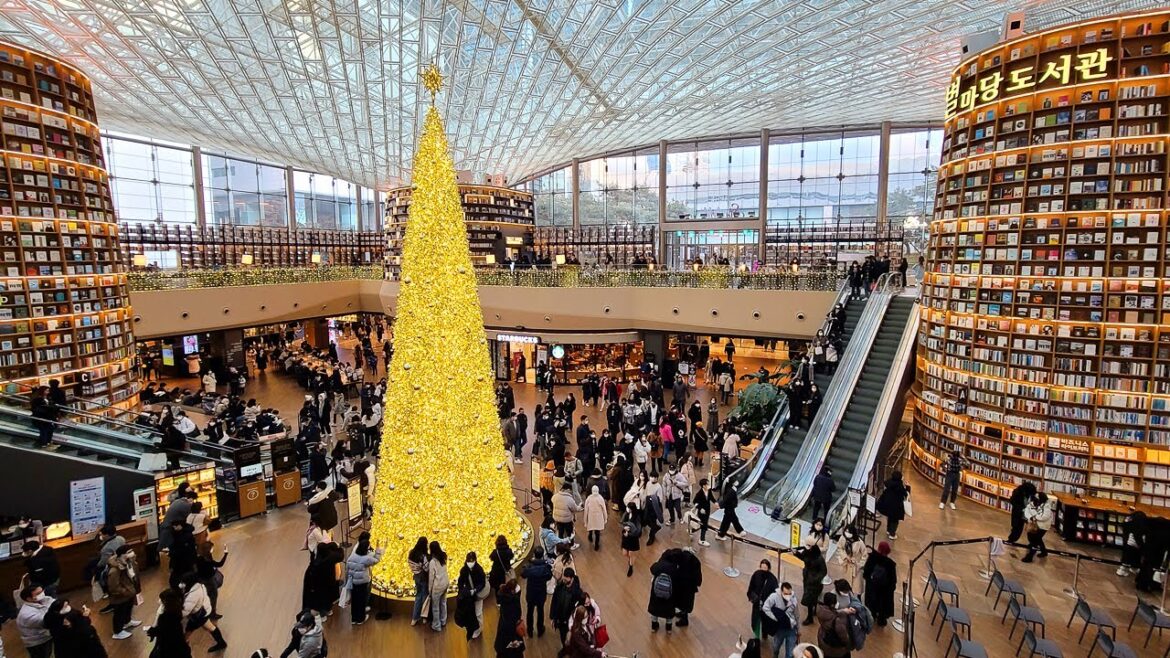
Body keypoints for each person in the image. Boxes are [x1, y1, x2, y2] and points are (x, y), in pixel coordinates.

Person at [178, 572, 227, 652]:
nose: (181, 584)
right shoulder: (199, 586)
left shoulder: (193, 595)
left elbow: (185, 611)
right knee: (210, 627)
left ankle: (183, 649)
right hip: (204, 611)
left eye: (183, 582)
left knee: (189, 630)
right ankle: (221, 643)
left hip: (198, 616)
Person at [43, 598, 108, 658]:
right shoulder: (69, 619)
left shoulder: (52, 620)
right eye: (65, 606)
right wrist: (85, 617)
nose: (68, 607)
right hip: (84, 649)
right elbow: (83, 629)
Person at [345, 532, 384, 626]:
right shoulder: (366, 558)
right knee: (361, 600)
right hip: (362, 582)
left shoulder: (352, 556)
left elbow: (348, 569)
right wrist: (378, 550)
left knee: (354, 600)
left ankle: (354, 618)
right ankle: (361, 619)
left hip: (353, 581)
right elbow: (377, 560)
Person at [106, 544, 142, 640]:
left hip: (129, 593)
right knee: (119, 613)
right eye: (128, 552)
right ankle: (117, 632)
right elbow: (114, 587)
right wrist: (125, 592)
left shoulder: (129, 563)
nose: (131, 553)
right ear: (122, 555)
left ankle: (127, 622)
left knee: (128, 609)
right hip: (120, 596)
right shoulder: (114, 570)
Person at [146, 589, 192, 658]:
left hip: (168, 649)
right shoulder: (179, 613)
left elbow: (162, 632)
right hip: (180, 648)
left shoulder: (165, 617)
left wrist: (152, 631)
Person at [861, 541, 897, 627]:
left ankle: (871, 616)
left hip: (872, 588)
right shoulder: (890, 564)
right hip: (884, 590)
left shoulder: (872, 558)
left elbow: (866, 573)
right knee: (882, 605)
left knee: (871, 604)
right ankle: (881, 620)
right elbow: (893, 580)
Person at [521, 547, 552, 637]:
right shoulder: (545, 567)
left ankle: (530, 630)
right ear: (542, 555)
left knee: (529, 611)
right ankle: (540, 629)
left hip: (531, 592)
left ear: (534, 555)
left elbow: (523, 575)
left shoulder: (529, 566)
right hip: (541, 593)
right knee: (540, 611)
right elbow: (549, 577)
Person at [762, 582, 799, 658]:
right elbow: (765, 608)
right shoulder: (774, 597)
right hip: (779, 629)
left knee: (790, 654)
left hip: (791, 628)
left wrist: (798, 628)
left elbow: (797, 615)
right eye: (786, 593)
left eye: (789, 593)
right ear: (781, 591)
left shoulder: (793, 600)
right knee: (776, 647)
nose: (788, 596)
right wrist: (775, 618)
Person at [456, 552, 487, 640]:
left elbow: (482, 583)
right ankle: (474, 627)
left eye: (472, 561)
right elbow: (460, 582)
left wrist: (475, 590)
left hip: (477, 594)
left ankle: (479, 629)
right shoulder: (464, 570)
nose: (470, 562)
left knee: (478, 613)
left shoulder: (479, 570)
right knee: (471, 612)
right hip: (469, 595)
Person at [17, 584, 54, 658]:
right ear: (29, 599)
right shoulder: (26, 614)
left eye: (42, 591)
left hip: (46, 636)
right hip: (37, 642)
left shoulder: (45, 599)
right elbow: (47, 622)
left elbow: (56, 604)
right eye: (38, 593)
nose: (42, 594)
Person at [549, 566, 583, 645]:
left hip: (571, 620)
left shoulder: (577, 593)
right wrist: (553, 617)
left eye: (566, 579)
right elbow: (554, 601)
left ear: (572, 579)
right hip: (561, 618)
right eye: (564, 578)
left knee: (572, 638)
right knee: (562, 636)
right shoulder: (560, 587)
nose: (564, 580)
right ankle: (565, 649)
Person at [648, 551, 680, 633]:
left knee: (655, 609)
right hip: (669, 594)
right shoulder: (674, 568)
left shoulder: (659, 565)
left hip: (656, 593)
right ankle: (668, 628)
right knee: (669, 610)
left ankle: (654, 626)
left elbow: (651, 569)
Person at [747, 559, 779, 639]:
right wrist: (752, 597)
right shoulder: (756, 574)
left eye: (765, 568)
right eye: (762, 568)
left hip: (767, 606)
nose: (763, 571)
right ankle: (757, 636)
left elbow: (775, 594)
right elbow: (751, 588)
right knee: (756, 621)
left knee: (765, 621)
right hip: (757, 603)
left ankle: (765, 634)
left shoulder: (772, 580)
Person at [815, 592, 854, 658]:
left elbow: (831, 614)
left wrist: (843, 611)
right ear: (832, 604)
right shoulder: (837, 621)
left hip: (825, 642)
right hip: (836, 649)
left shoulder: (820, 611)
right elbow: (844, 637)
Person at [494, 579, 526, 658]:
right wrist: (514, 638)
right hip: (512, 633)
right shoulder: (513, 603)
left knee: (503, 651)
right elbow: (512, 621)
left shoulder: (505, 598)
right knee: (514, 652)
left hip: (503, 632)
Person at [797, 544, 828, 625]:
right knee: (810, 598)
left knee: (810, 599)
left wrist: (815, 579)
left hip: (814, 582)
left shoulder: (819, 559)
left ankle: (810, 617)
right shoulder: (808, 553)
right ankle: (812, 611)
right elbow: (804, 558)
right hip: (807, 579)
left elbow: (823, 571)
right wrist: (796, 554)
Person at [875, 470, 910, 540]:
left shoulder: (889, 483)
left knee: (890, 517)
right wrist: (907, 488)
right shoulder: (899, 485)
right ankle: (892, 533)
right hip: (896, 506)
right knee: (895, 520)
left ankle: (888, 530)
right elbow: (905, 494)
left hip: (887, 504)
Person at [1022, 492, 1056, 563]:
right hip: (1033, 524)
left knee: (1035, 540)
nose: (1035, 499)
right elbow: (1027, 510)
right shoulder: (1032, 503)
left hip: (1042, 526)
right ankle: (1044, 552)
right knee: (1034, 538)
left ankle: (1030, 556)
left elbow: (1044, 516)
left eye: (1037, 498)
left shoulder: (1046, 507)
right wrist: (1030, 517)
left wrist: (1034, 517)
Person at [427, 541, 450, 631]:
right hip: (445, 582)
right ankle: (443, 620)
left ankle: (436, 625)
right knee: (443, 603)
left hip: (437, 586)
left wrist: (430, 590)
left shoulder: (433, 562)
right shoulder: (443, 556)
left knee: (435, 607)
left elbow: (431, 578)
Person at [408, 536, 430, 626]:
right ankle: (424, 616)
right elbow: (426, 568)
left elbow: (410, 564)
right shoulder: (423, 556)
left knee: (418, 595)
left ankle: (415, 618)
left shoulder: (411, 553)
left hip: (416, 576)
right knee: (425, 596)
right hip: (423, 577)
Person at [620, 502, 643, 578]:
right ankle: (630, 560)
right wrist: (624, 528)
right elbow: (622, 523)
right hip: (625, 537)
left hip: (632, 538)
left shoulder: (637, 517)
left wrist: (629, 533)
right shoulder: (626, 514)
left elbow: (638, 530)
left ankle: (631, 566)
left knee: (631, 554)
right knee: (624, 553)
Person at [583, 485, 608, 551]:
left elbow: (586, 510)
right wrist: (605, 518)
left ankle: (590, 536)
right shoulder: (600, 498)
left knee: (591, 527)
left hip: (591, 516)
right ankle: (596, 545)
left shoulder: (589, 498)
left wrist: (585, 521)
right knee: (597, 531)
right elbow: (604, 509)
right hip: (598, 517)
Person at [694, 478, 713, 546]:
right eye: (707, 484)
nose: (708, 485)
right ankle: (702, 540)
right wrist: (700, 508)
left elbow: (711, 497)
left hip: (707, 510)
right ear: (703, 486)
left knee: (702, 523)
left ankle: (692, 530)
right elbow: (695, 502)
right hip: (701, 512)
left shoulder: (709, 490)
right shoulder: (699, 493)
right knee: (704, 525)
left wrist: (716, 503)